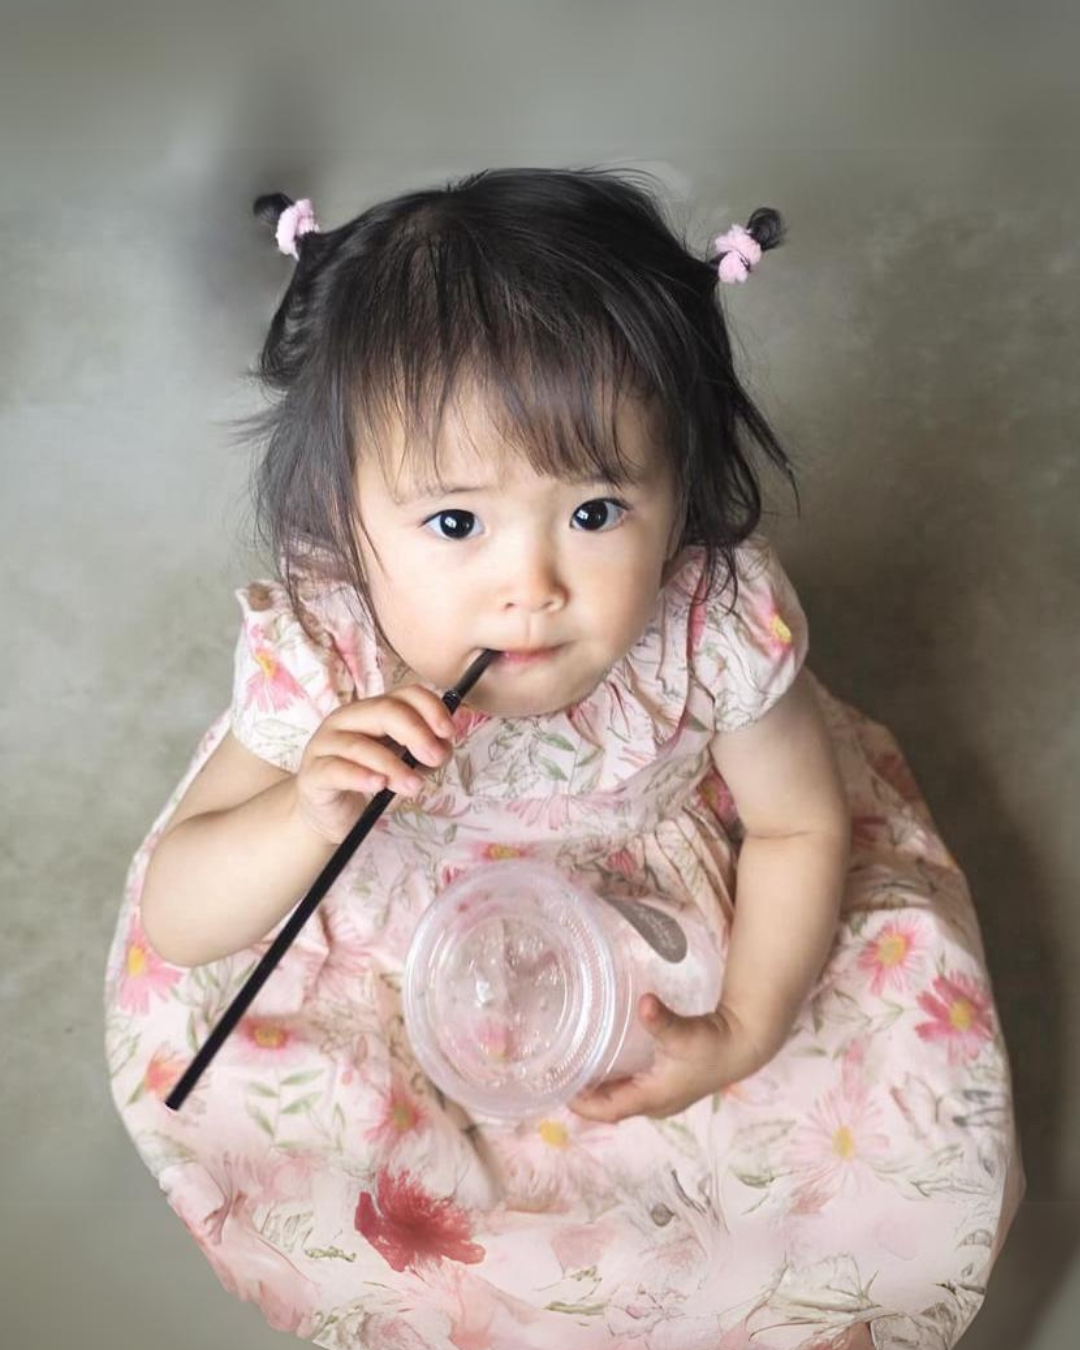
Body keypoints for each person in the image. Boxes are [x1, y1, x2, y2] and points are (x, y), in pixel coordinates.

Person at [103, 166, 1023, 1350]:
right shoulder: (331, 657)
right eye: (455, 523)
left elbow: (799, 826)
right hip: (395, 949)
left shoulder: (705, 630)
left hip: (658, 932)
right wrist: (308, 813)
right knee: (338, 1182)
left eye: (595, 513)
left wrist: (745, 1027)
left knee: (858, 1145)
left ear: (679, 490)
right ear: (343, 516)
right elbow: (180, 918)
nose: (531, 588)